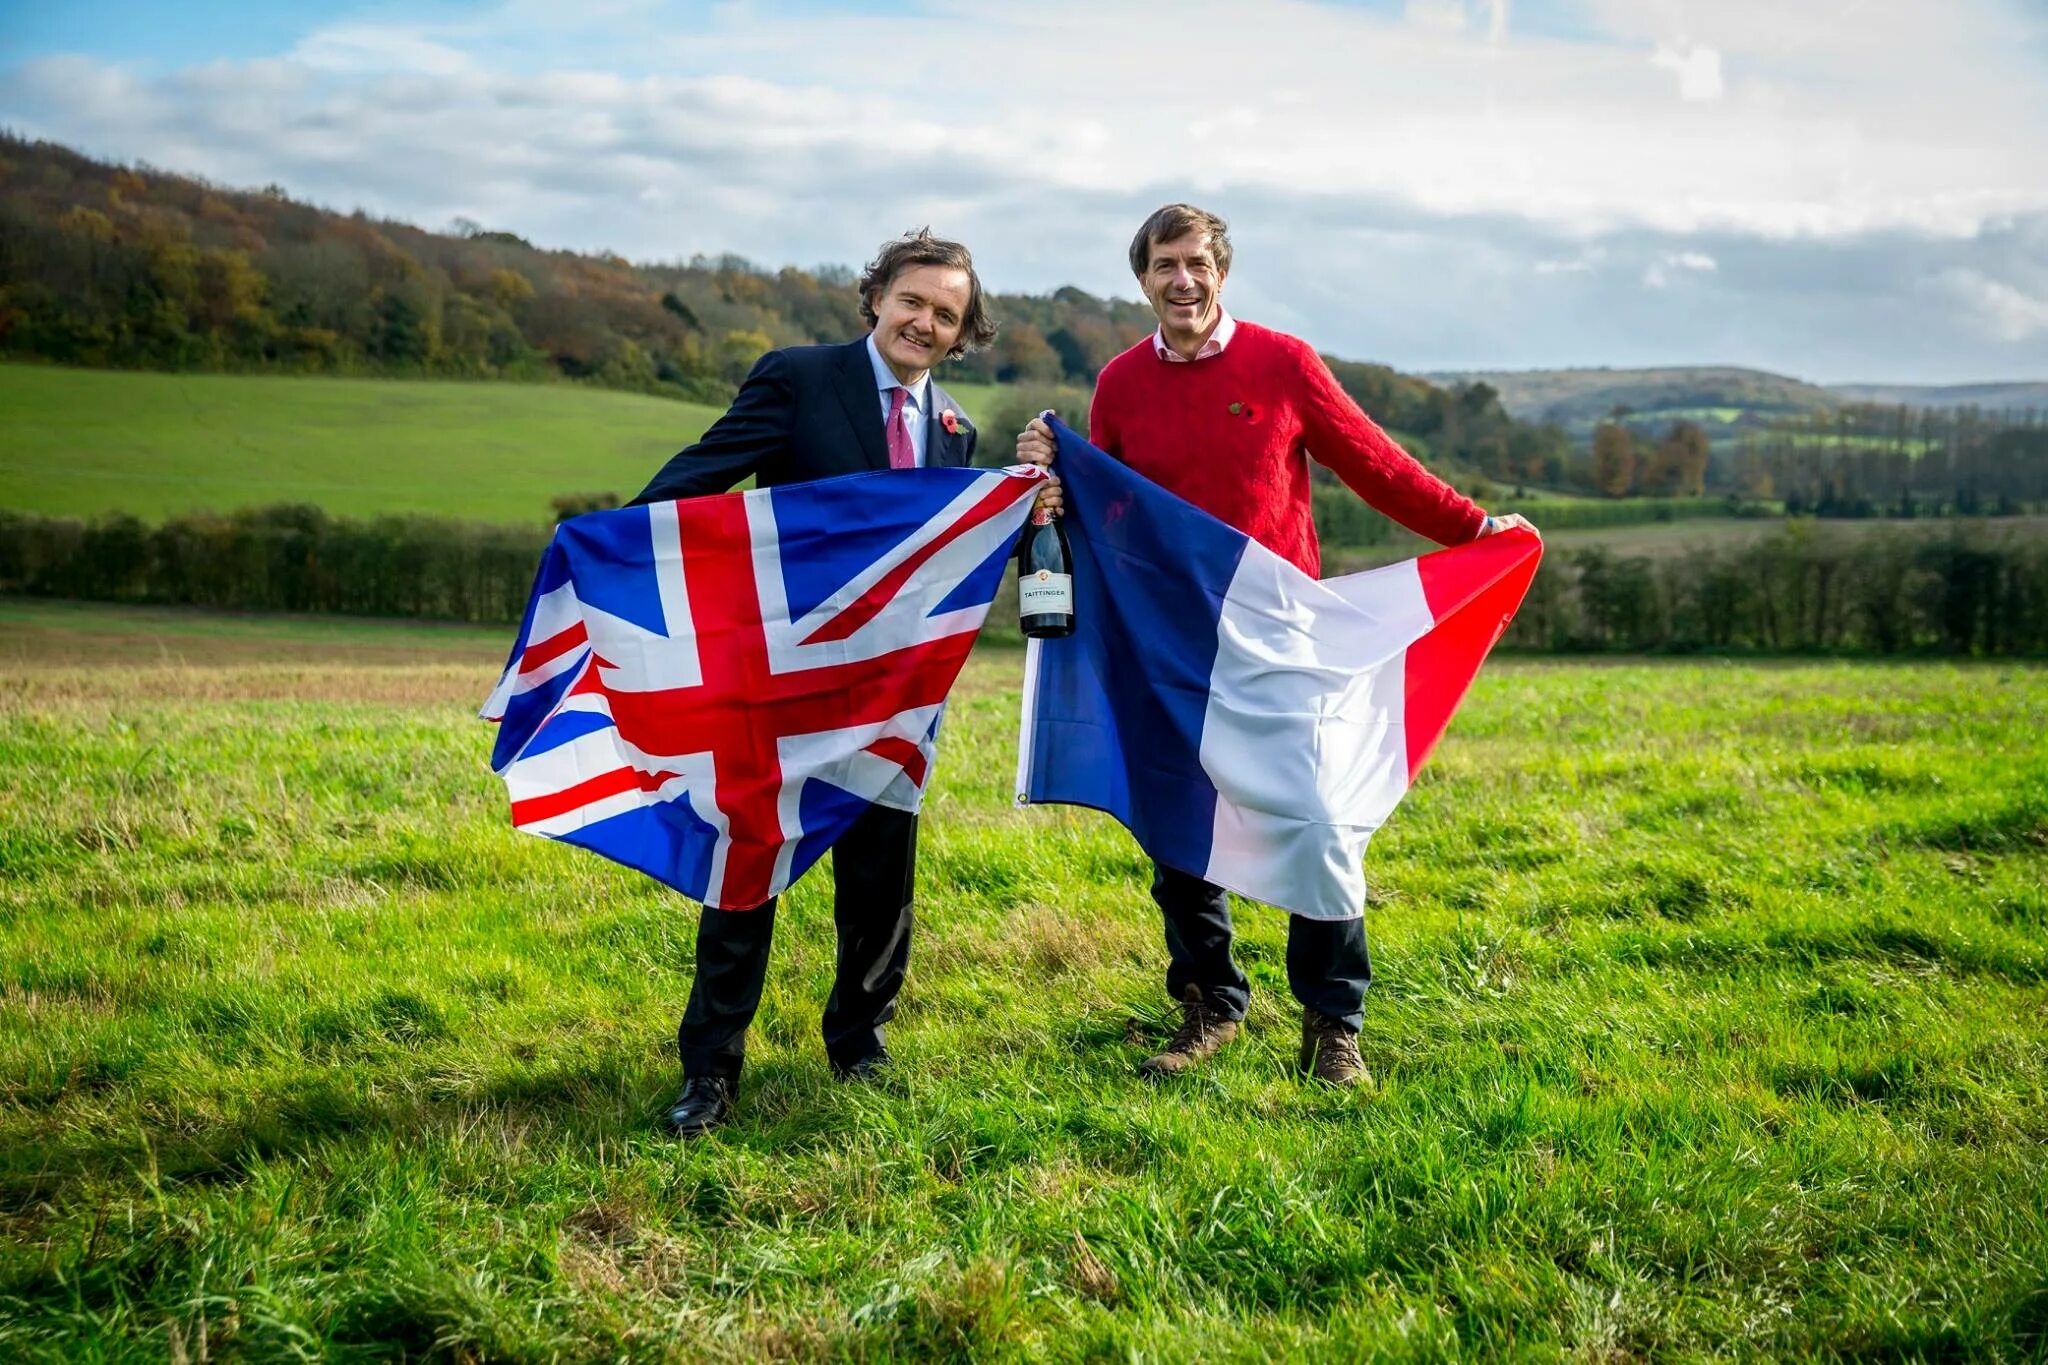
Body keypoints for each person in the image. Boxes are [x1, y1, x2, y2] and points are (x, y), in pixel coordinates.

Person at [1015, 203, 1535, 1087]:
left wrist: (1474, 528)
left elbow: (1375, 463)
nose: (1182, 281)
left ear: (1223, 272)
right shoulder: (1120, 384)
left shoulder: (1283, 363)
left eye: (1197, 264)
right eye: (1163, 266)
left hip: (1284, 634)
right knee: (1178, 825)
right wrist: (1051, 474)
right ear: (1141, 279)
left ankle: (1334, 1023)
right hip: (1170, 640)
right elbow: (1108, 504)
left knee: (1321, 822)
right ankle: (1210, 1004)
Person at [632, 229, 995, 1136]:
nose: (925, 321)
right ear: (876, 297)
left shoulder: (956, 430)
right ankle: (711, 1071)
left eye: (946, 314)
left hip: (894, 692)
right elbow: (704, 472)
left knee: (881, 876)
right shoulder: (796, 377)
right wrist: (620, 540)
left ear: (959, 335)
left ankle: (859, 1042)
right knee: (745, 864)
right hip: (781, 679)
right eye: (913, 300)